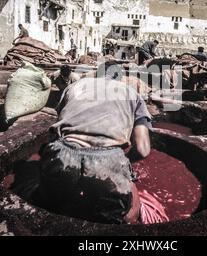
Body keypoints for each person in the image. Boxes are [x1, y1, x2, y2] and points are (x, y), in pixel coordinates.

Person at [37, 61, 152, 224]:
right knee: (125, 216)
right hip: (107, 160)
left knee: (51, 210)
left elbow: (57, 128)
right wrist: (125, 165)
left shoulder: (75, 86)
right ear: (119, 78)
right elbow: (143, 149)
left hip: (61, 154)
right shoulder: (132, 94)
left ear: (97, 74)